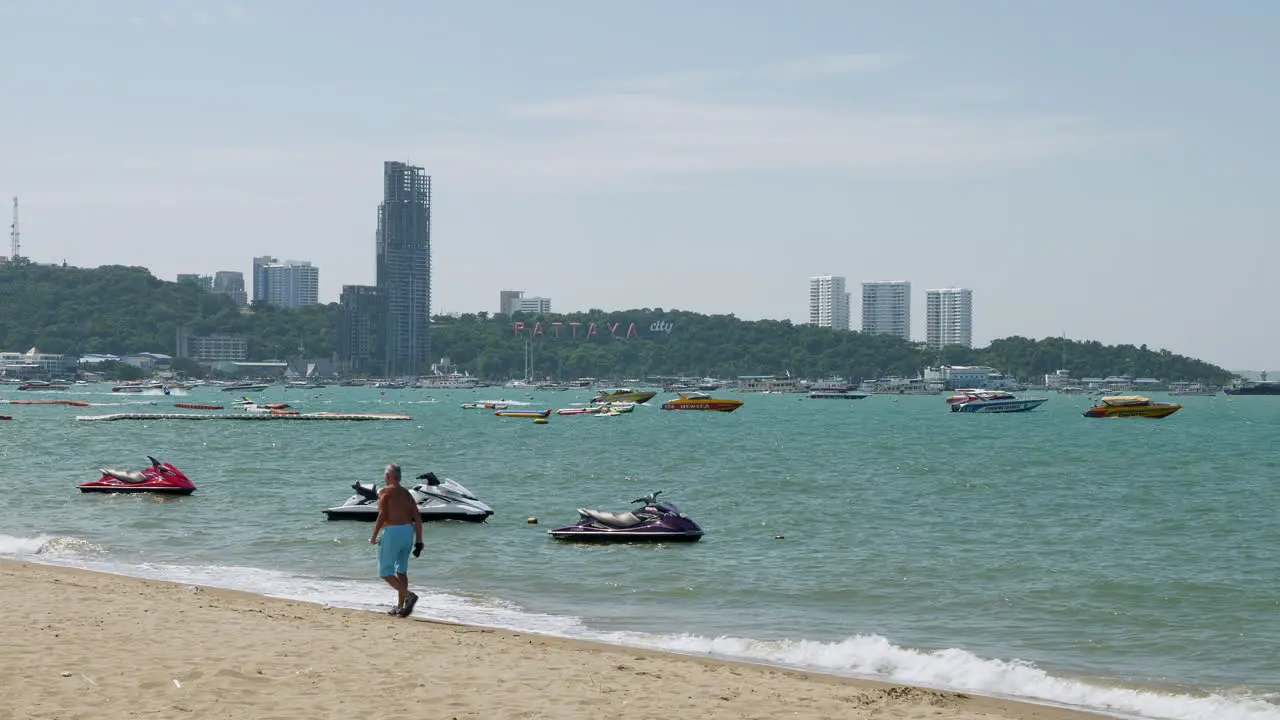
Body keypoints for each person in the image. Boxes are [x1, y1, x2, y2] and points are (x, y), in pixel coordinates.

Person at [369, 463, 424, 617]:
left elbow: (382, 516)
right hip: (408, 532)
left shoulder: (384, 492)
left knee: (385, 572)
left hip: (392, 533)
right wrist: (419, 541)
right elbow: (418, 518)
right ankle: (400, 607)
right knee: (401, 570)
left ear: (387, 477)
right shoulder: (407, 493)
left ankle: (409, 595)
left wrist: (374, 535)